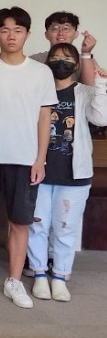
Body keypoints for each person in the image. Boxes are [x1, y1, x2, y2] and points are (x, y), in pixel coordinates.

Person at [0, 6, 57, 309]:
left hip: (25, 158)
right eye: (5, 30)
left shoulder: (41, 72)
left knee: (20, 222)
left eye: (18, 30)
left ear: (27, 34)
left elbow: (45, 118)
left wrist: (40, 159)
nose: (11, 35)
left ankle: (14, 281)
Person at [28, 44, 107, 302]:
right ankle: (40, 274)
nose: (60, 61)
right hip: (38, 170)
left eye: (67, 58)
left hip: (74, 175)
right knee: (37, 225)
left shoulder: (84, 91)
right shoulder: (38, 90)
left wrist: (101, 84)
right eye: (55, 57)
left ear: (76, 65)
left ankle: (60, 276)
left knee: (65, 227)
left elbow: (101, 118)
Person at [29, 11, 97, 85]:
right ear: (46, 34)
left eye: (66, 29)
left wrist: (86, 53)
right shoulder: (34, 60)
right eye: (55, 28)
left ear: (76, 34)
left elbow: (89, 88)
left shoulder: (86, 61)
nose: (61, 33)